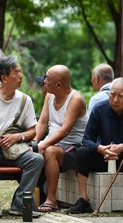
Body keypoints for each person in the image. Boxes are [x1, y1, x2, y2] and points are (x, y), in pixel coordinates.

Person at [0, 56, 44, 217]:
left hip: (14, 150)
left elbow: (33, 131)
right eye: (16, 72)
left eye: (20, 71)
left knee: (36, 160)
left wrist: (17, 137)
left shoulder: (25, 100)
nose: (21, 75)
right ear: (4, 78)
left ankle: (19, 204)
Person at [68, 77, 123, 214]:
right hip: (105, 157)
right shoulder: (99, 109)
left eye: (120, 96)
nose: (115, 100)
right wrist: (100, 148)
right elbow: (86, 139)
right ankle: (83, 199)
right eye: (112, 94)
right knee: (82, 152)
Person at [34, 65, 88, 212]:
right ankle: (28, 197)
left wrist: (43, 145)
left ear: (58, 84)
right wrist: (35, 142)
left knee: (49, 151)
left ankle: (51, 200)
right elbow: (42, 122)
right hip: (53, 144)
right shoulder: (49, 95)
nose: (44, 81)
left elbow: (64, 131)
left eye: (47, 78)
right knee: (32, 152)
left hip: (74, 148)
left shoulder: (75, 99)